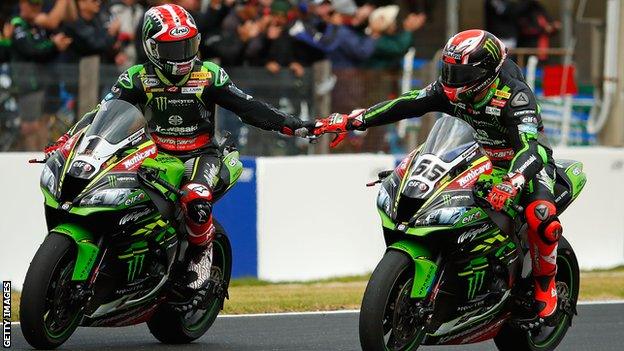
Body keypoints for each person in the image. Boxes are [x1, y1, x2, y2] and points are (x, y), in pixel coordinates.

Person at [44, 4, 312, 309]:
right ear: (152, 48)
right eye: (174, 48)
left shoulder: (209, 75)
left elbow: (250, 108)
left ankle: (200, 259)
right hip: (153, 153)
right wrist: (67, 141)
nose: (183, 55)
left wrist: (296, 126)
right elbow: (99, 115)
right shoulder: (136, 78)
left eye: (188, 45)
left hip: (200, 154)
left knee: (196, 198)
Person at [312, 29, 564, 328]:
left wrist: (514, 181)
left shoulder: (514, 97)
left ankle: (545, 289)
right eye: (448, 70)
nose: (451, 80)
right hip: (480, 156)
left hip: (524, 163)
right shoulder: (450, 90)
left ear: (485, 72)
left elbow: (530, 148)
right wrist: (356, 120)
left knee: (541, 217)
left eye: (460, 72)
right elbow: (407, 103)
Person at [11, 0, 72, 150]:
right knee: (30, 127)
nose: (36, 8)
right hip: (28, 86)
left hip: (45, 83)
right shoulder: (18, 25)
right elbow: (31, 50)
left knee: (45, 122)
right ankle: (29, 159)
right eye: (32, 4)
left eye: (38, 4)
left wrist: (56, 45)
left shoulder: (39, 26)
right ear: (22, 4)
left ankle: (40, 157)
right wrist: (53, 45)